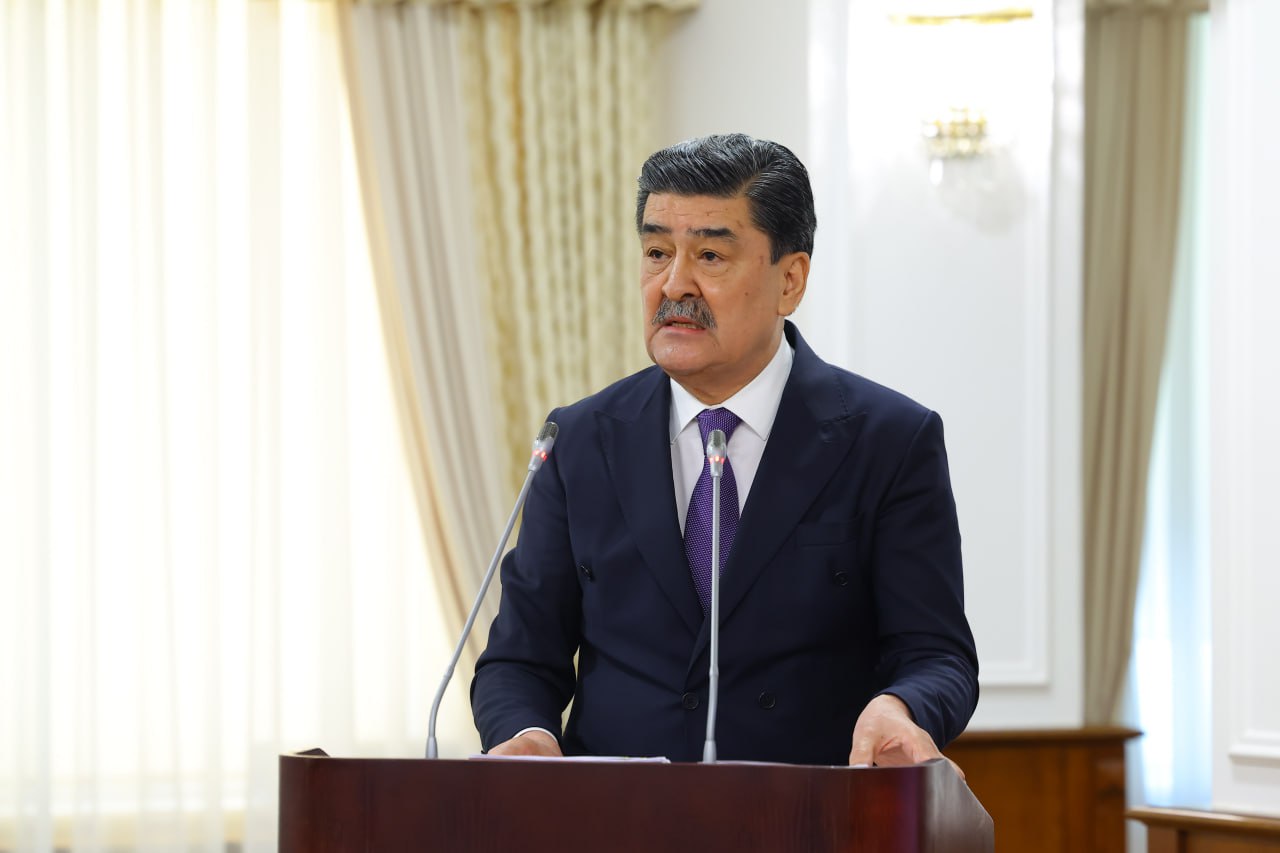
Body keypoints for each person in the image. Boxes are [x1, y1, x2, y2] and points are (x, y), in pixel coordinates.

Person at [470, 133, 978, 767]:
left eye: (710, 255)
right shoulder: (579, 440)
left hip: (808, 809)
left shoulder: (889, 439)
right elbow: (519, 660)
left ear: (790, 280)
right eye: (657, 252)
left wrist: (901, 706)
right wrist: (526, 733)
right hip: (615, 813)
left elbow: (936, 655)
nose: (673, 284)